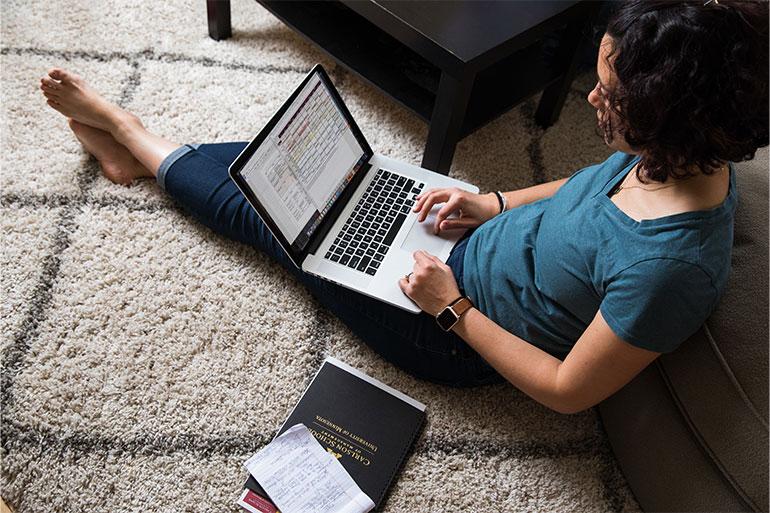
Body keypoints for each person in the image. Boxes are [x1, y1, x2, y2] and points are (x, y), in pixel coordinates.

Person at [39, 0, 767, 413]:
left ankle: (129, 134)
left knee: (274, 221)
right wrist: (492, 199)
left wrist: (450, 307)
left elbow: (567, 390)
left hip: (450, 331)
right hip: (473, 242)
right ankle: (151, 152)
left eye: (609, 97)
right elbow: (582, 190)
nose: (589, 99)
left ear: (669, 126)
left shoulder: (670, 269)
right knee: (313, 177)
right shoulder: (673, 158)